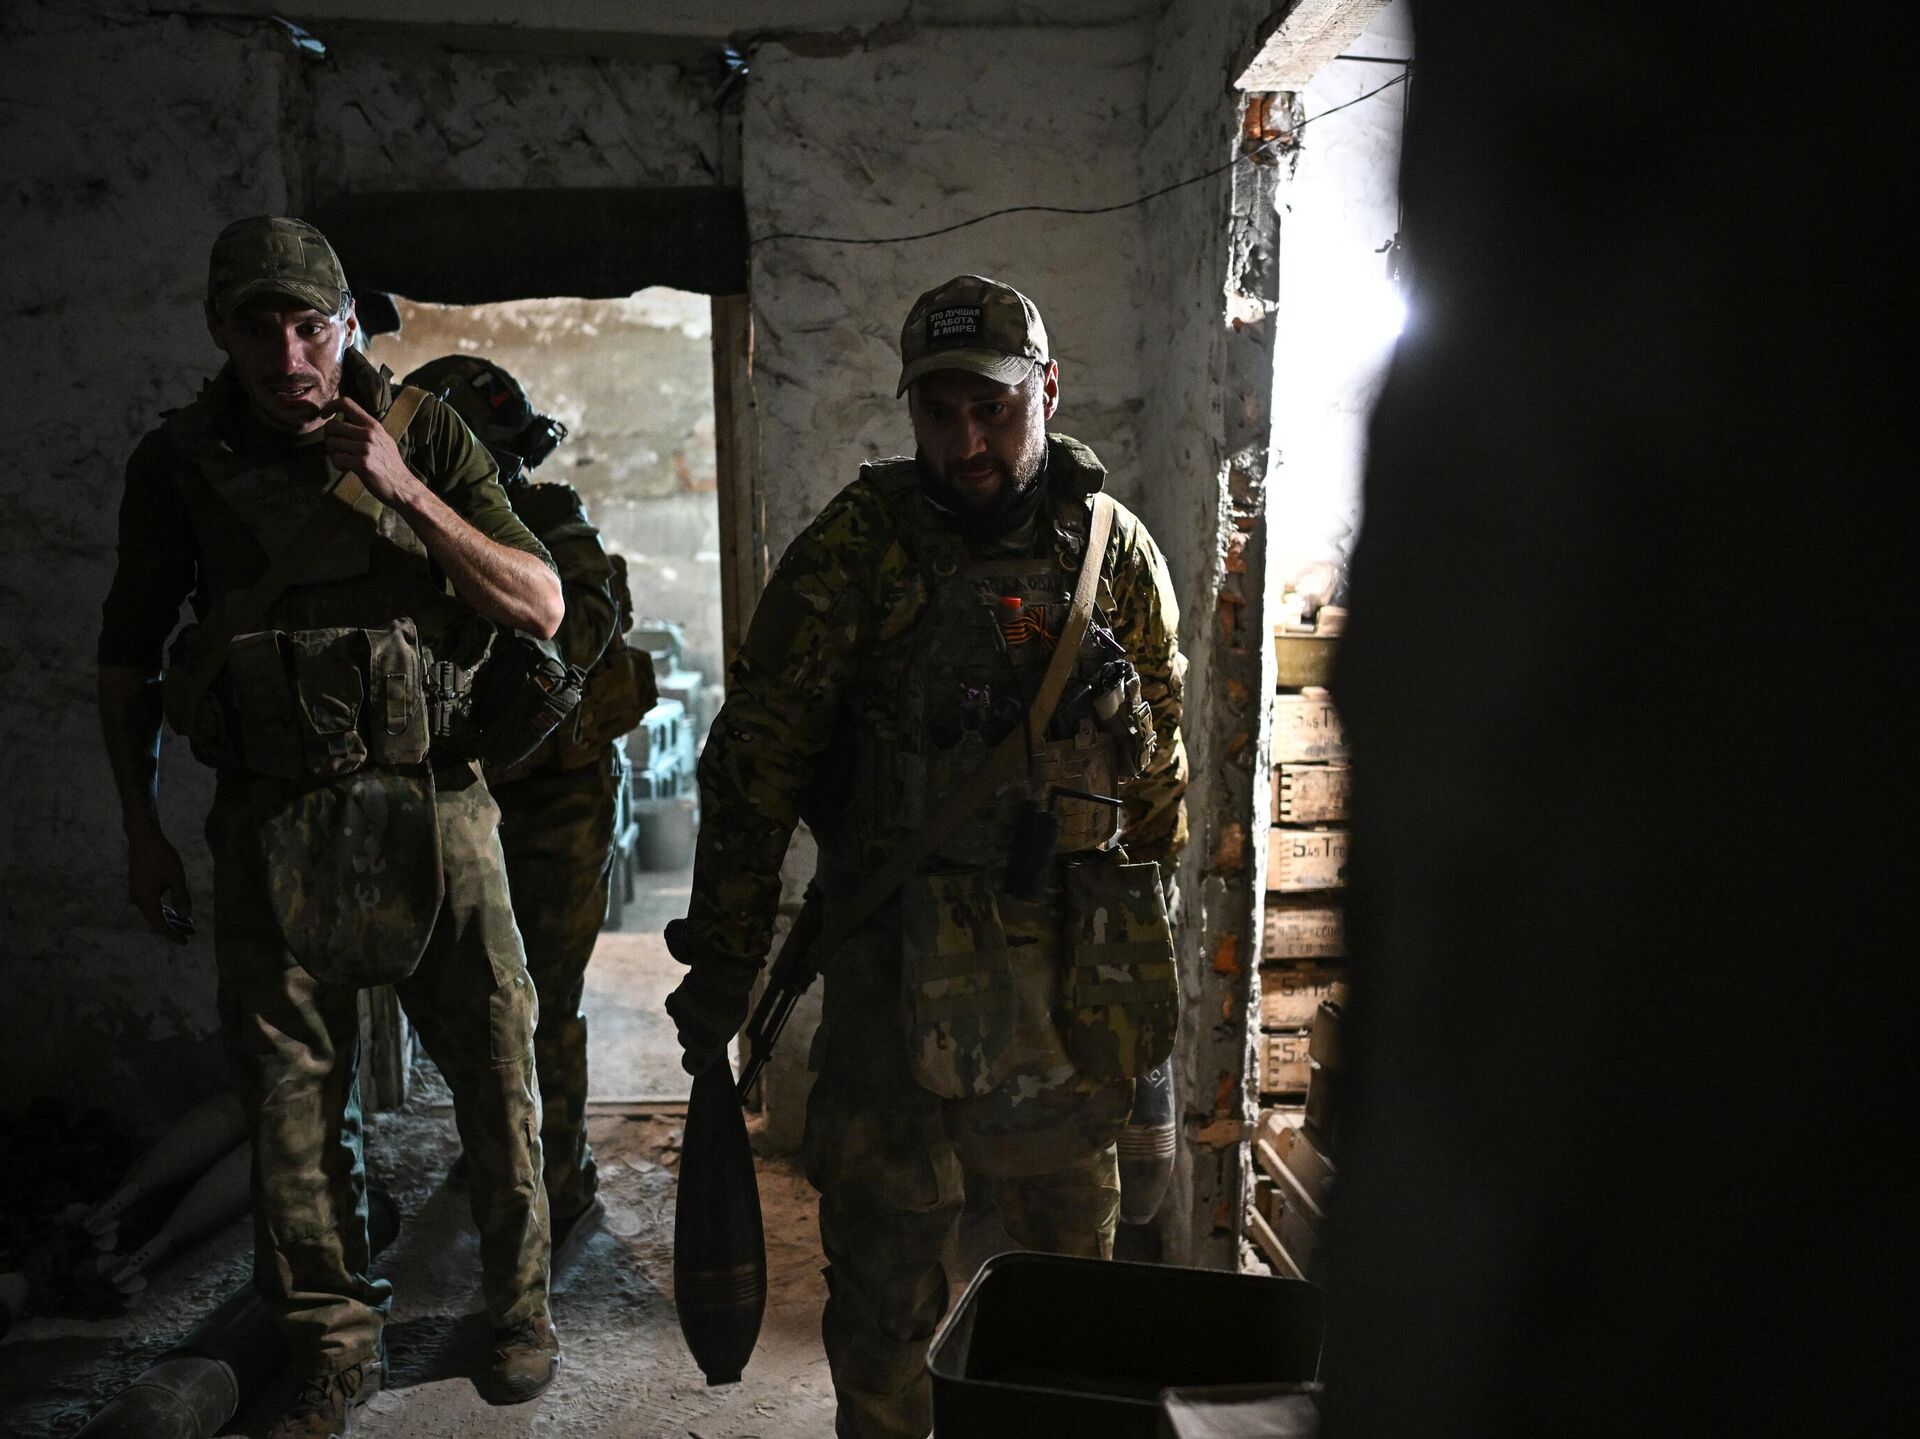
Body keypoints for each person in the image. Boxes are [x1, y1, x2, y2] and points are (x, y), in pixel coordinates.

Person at [666, 275, 1189, 1438]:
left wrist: (1146, 987)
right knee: (886, 1295)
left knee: (1069, 1299)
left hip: (1070, 992)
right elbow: (754, 766)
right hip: (896, 987)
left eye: (994, 410)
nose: (967, 443)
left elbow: (1160, 794)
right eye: (939, 413)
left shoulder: (1113, 554)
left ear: (1049, 390)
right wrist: (726, 964)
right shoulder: (858, 552)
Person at [96, 216, 566, 1438]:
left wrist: (405, 489)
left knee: (494, 1062)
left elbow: (539, 602)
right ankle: (332, 1343)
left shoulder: (426, 432)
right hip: (269, 810)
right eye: (259, 328)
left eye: (310, 325)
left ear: (348, 324)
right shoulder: (180, 464)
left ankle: (519, 1308)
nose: (288, 356)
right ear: (220, 332)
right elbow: (126, 661)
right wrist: (142, 828)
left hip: (434, 800)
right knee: (291, 1101)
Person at [401, 355, 652, 1260]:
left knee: (547, 995)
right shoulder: (406, 526)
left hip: (557, 799)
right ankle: (502, 1150)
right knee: (466, 1001)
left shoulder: (548, 520)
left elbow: (576, 629)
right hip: (457, 794)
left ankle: (562, 1177)